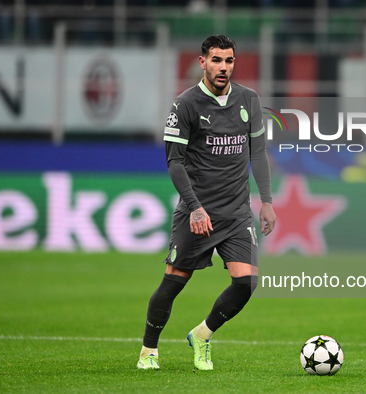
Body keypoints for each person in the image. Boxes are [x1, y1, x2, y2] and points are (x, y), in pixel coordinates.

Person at [137, 35, 276, 371]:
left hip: (236, 212)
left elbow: (257, 153)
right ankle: (148, 350)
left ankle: (202, 335)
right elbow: (175, 162)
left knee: (247, 283)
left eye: (229, 61)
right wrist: (195, 207)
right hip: (196, 211)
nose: (223, 67)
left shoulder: (249, 100)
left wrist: (267, 201)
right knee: (173, 283)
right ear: (202, 62)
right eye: (216, 60)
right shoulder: (184, 105)